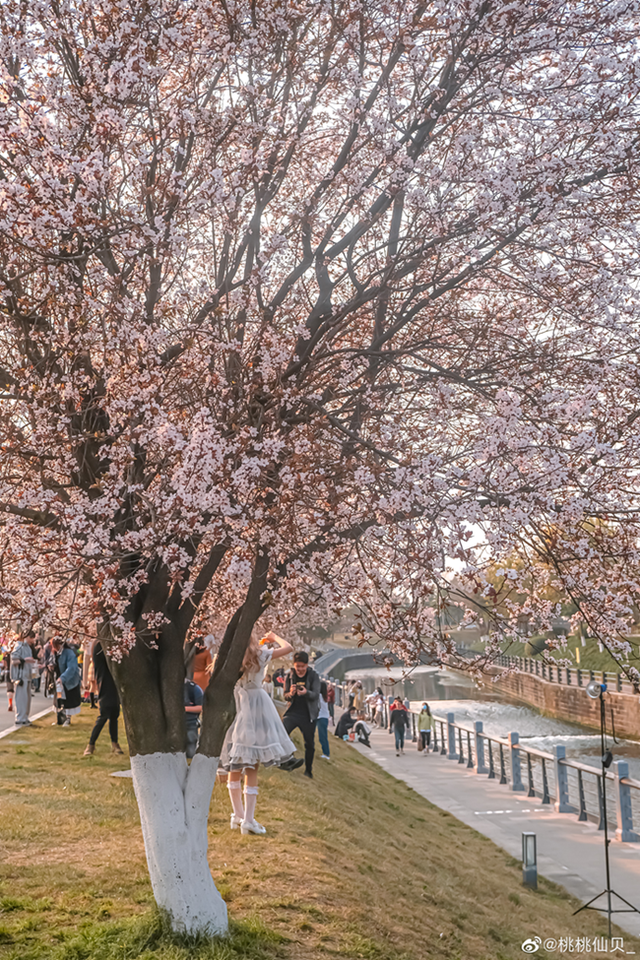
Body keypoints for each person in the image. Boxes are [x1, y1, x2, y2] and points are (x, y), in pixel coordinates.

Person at [219, 630, 301, 836]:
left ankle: (238, 814)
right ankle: (248, 820)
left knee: (235, 763)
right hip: (257, 706)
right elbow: (289, 648)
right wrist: (273, 638)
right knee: (252, 765)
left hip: (237, 703)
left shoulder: (230, 656)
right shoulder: (261, 654)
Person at [282, 651, 321, 779]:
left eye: (302, 666)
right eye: (297, 666)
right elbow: (285, 696)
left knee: (309, 744)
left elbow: (316, 694)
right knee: (281, 733)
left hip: (308, 715)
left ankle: (308, 770)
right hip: (293, 712)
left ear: (306, 665)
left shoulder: (313, 676)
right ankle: (287, 760)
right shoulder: (290, 676)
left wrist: (306, 693)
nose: (300, 669)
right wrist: (291, 694)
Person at [83, 642, 124, 755]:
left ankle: (115, 743)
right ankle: (91, 744)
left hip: (113, 682)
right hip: (104, 682)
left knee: (114, 715)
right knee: (104, 714)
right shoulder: (99, 645)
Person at [50, 636, 82, 725]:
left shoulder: (69, 653)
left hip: (69, 681)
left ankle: (68, 719)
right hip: (59, 682)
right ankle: (60, 718)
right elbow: (51, 662)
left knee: (68, 700)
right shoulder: (55, 653)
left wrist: (62, 678)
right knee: (60, 699)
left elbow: (72, 668)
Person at [10, 633, 36, 726]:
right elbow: (14, 659)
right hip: (20, 676)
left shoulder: (28, 647)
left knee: (27, 698)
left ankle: (25, 717)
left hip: (27, 675)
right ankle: (20, 718)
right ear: (26, 637)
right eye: (31, 638)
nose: (33, 641)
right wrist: (25, 660)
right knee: (21, 698)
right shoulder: (19, 646)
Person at [184, 677, 204, 759]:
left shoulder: (193, 688)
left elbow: (201, 707)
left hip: (190, 724)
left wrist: (183, 709)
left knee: (191, 751)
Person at [316, 681, 331, 759]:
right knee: (323, 736)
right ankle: (326, 753)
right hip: (324, 717)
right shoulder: (324, 696)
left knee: (322, 737)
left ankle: (326, 754)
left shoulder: (319, 696)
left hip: (321, 717)